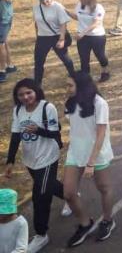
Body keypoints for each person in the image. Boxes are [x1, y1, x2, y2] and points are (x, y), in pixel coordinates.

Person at [4, 79, 65, 253]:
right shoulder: (18, 110)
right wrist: (10, 161)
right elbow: (16, 136)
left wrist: (37, 130)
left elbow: (55, 132)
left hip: (47, 158)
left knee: (40, 197)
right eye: (21, 94)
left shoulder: (47, 108)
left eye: (28, 92)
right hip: (30, 160)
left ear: (36, 91)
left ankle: (41, 234)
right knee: (48, 185)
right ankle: (70, 195)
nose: (25, 97)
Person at [62, 72, 115, 247]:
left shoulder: (100, 104)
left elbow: (100, 134)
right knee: (69, 193)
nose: (67, 89)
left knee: (104, 188)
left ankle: (108, 220)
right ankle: (85, 224)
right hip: (75, 153)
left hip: (96, 155)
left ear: (82, 86)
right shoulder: (71, 102)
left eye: (70, 85)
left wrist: (91, 162)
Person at [32, 0, 76, 86]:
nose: (44, 2)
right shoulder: (36, 8)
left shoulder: (57, 6)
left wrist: (62, 39)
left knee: (65, 58)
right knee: (38, 62)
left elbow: (63, 23)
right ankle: (37, 84)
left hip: (56, 36)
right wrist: (37, 35)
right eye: (42, 0)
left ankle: (73, 76)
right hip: (42, 37)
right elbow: (36, 22)